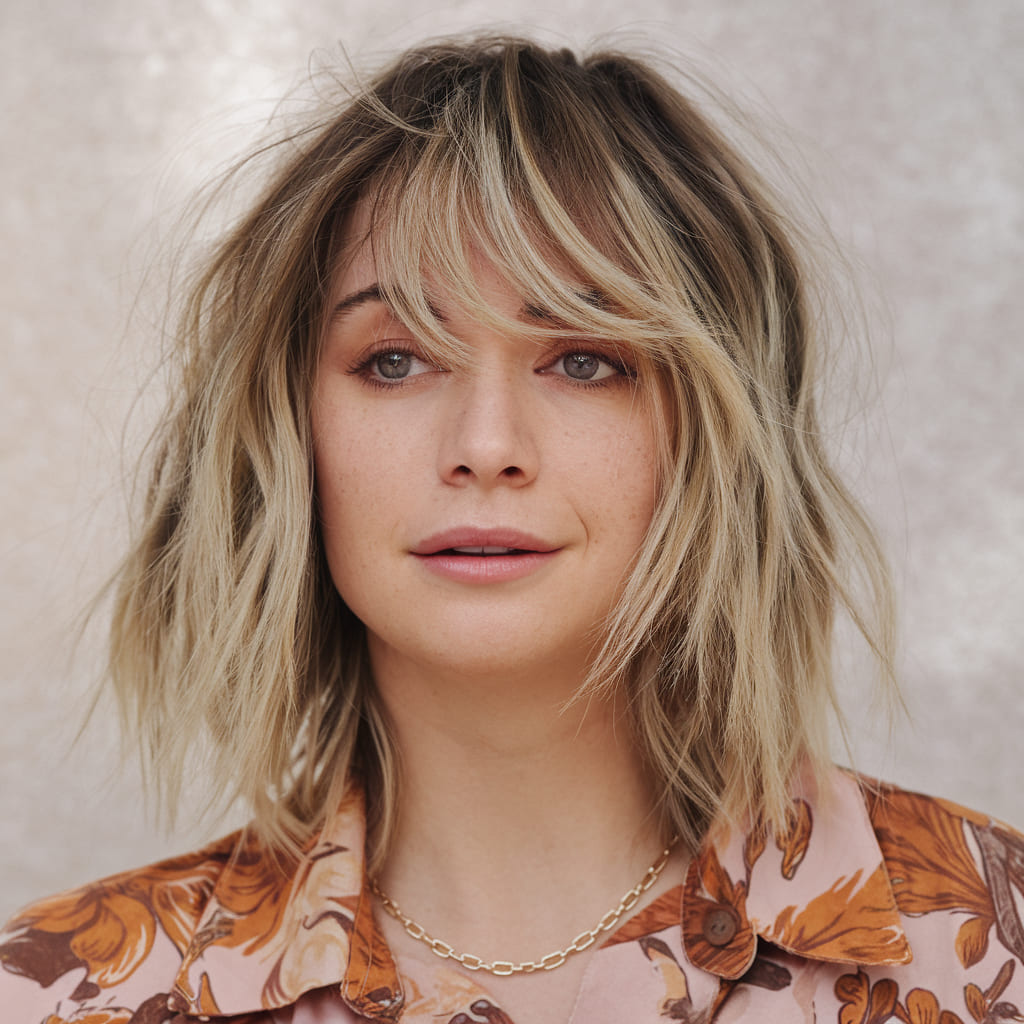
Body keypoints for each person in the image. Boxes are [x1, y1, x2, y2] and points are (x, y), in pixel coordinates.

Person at [1, 34, 1022, 1024]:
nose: (486, 445)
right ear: (288, 433)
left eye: (584, 358)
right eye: (395, 358)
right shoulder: (67, 996)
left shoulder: (993, 950)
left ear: (716, 430)